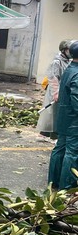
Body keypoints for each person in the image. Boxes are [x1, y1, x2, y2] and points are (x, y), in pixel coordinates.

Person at [48, 41, 78, 190]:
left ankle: (53, 182)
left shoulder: (70, 68)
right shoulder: (77, 73)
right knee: (72, 152)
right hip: (74, 120)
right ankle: (66, 187)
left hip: (64, 116)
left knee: (60, 148)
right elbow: (76, 99)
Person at [37, 40, 75, 138]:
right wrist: (56, 93)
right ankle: (50, 134)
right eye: (69, 50)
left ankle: (47, 133)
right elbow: (53, 78)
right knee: (53, 113)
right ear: (63, 50)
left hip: (62, 90)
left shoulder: (68, 61)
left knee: (57, 112)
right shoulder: (57, 62)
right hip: (55, 90)